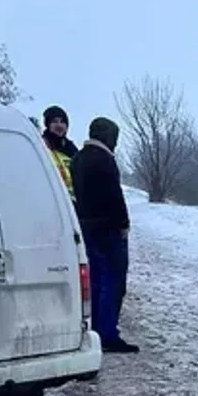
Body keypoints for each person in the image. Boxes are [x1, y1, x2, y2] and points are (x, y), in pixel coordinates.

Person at [69, 117, 139, 353]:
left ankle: (96, 329)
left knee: (96, 279)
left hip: (87, 226)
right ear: (108, 136)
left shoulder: (78, 159)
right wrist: (124, 223)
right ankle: (108, 334)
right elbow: (114, 196)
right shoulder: (105, 160)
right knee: (114, 280)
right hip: (108, 228)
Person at [41, 105, 79, 203]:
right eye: (55, 122)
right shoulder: (42, 146)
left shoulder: (72, 150)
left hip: (73, 204)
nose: (59, 125)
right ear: (48, 125)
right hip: (52, 202)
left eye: (62, 122)